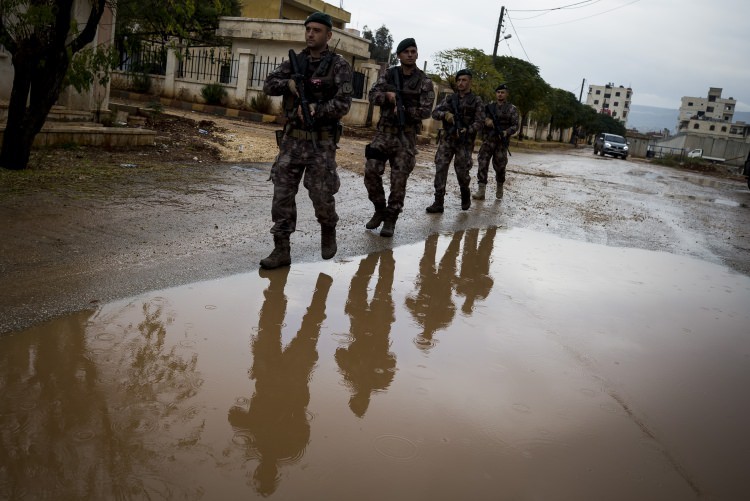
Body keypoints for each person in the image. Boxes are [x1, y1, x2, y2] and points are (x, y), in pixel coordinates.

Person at [260, 12, 353, 269]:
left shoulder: (339, 66)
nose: (311, 34)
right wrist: (289, 85)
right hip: (291, 141)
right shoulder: (295, 62)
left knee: (321, 195)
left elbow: (343, 104)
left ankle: (328, 228)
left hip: (321, 144)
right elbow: (269, 85)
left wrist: (316, 109)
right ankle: (281, 250)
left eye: (317, 30)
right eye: (308, 29)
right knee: (282, 196)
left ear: (329, 35)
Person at [363, 38, 435, 237]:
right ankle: (379, 209)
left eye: (413, 51)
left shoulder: (424, 81)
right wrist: (388, 97)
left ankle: (391, 219)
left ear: (417, 54)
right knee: (370, 172)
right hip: (383, 133)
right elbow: (372, 95)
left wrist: (404, 109)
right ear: (399, 55)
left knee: (398, 180)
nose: (410, 54)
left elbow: (426, 111)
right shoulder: (389, 74)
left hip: (406, 137)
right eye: (406, 51)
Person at [427, 69, 484, 213]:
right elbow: (434, 113)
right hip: (447, 139)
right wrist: (446, 115)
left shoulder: (476, 100)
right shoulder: (450, 99)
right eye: (458, 80)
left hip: (464, 142)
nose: (460, 83)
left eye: (464, 80)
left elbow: (480, 122)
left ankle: (465, 193)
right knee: (440, 167)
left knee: (462, 172)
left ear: (470, 82)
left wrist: (468, 130)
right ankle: (438, 201)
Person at [473, 83, 519, 201]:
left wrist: (506, 132)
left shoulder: (512, 109)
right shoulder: (489, 106)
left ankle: (499, 186)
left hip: (501, 142)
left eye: (502, 92)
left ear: (506, 94)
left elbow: (515, 126)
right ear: (496, 94)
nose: (500, 94)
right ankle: (481, 190)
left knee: (500, 167)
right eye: (498, 92)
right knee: (482, 163)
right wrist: (486, 120)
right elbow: (480, 117)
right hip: (488, 140)